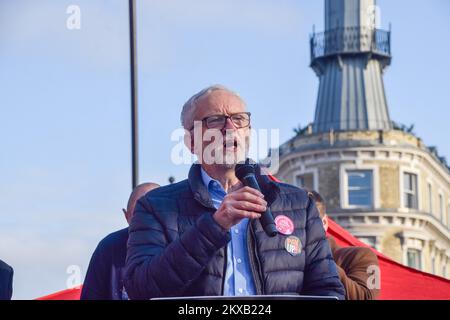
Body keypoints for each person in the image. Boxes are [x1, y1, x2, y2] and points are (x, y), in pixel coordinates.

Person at [124, 85, 345, 299]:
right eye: (216, 120)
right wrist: (214, 227)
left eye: (239, 119)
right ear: (191, 142)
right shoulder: (155, 207)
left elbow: (327, 289)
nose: (230, 128)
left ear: (248, 133)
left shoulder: (298, 204)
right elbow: (140, 288)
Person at [81, 183, 160, 300]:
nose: (146, 221)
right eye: (138, 214)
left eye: (153, 213)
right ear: (126, 216)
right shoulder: (108, 248)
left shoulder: (182, 247)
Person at [308, 190, 380, 300]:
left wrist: (321, 260)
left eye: (309, 221)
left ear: (324, 223)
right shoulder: (284, 260)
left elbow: (367, 297)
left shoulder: (361, 256)